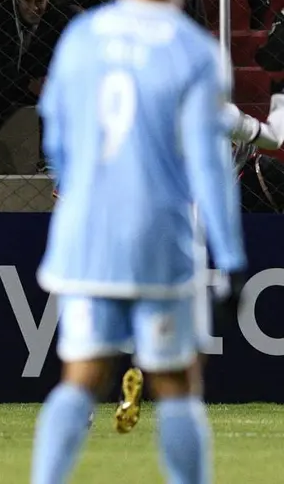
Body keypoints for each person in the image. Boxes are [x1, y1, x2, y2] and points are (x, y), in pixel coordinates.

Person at [30, 0, 246, 484]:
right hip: (159, 239)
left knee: (81, 378)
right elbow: (209, 164)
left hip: (85, 234)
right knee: (175, 383)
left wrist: (81, 188)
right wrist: (230, 258)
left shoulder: (82, 35)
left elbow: (54, 133)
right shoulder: (196, 52)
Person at [110, 98, 284, 434]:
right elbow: (273, 137)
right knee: (183, 341)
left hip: (145, 226)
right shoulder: (219, 111)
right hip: (191, 238)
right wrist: (279, 103)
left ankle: (120, 382)